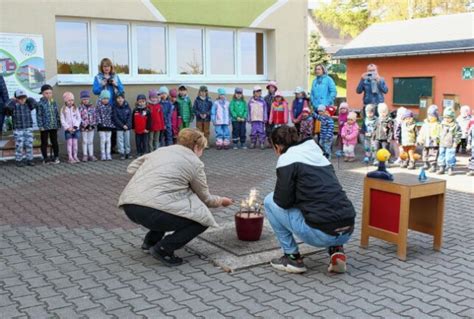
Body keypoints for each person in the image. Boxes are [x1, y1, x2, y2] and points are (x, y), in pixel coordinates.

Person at [118, 128, 233, 266]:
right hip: (151, 211)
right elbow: (206, 199)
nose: (201, 153)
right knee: (202, 220)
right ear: (196, 147)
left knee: (169, 206)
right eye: (202, 149)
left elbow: (131, 167)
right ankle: (163, 249)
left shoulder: (162, 150)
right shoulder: (194, 163)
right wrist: (222, 201)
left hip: (130, 205)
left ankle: (150, 242)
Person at [264, 126, 356, 274]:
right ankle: (336, 249)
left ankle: (292, 257)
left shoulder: (286, 159)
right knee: (324, 206)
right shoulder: (318, 154)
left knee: (269, 201)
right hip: (348, 228)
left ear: (277, 146)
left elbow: (283, 202)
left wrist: (297, 199)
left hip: (320, 234)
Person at [92, 58, 124, 154]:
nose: (106, 68)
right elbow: (95, 91)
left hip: (113, 104)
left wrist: (115, 84)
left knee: (114, 126)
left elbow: (122, 90)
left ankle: (112, 147)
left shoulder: (115, 77)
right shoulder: (98, 77)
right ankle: (105, 149)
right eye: (105, 66)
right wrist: (102, 84)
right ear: (102, 67)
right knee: (104, 126)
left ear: (111, 67)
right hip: (103, 105)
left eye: (108, 66)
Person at [4, 89, 36, 167]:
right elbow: (6, 106)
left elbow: (34, 102)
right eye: (20, 98)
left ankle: (30, 159)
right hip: (18, 129)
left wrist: (27, 98)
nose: (22, 100)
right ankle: (19, 160)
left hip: (28, 128)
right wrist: (13, 99)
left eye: (24, 98)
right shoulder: (13, 106)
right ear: (16, 98)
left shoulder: (28, 105)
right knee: (19, 145)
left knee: (29, 144)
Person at [36, 84, 61, 164]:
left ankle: (56, 157)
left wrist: (58, 124)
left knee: (54, 142)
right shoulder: (40, 103)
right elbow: (39, 115)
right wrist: (41, 126)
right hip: (45, 127)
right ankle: (45, 158)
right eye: (46, 93)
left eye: (50, 93)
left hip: (54, 125)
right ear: (42, 93)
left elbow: (57, 114)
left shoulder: (54, 102)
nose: (48, 95)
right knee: (44, 142)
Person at [437, 108, 461, 176]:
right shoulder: (441, 124)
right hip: (442, 143)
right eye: (445, 117)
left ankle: (450, 168)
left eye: (449, 117)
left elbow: (458, 134)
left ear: (453, 117)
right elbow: (439, 133)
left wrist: (456, 142)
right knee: (441, 155)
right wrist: (438, 140)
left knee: (450, 156)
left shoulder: (456, 125)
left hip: (451, 144)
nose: (447, 119)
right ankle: (441, 167)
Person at [417, 105, 441, 172]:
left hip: (434, 142)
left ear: (436, 116)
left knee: (433, 153)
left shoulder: (438, 124)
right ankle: (426, 163)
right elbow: (421, 132)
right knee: (425, 153)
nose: (430, 117)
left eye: (432, 116)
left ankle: (433, 165)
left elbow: (440, 133)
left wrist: (438, 138)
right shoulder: (425, 124)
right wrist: (420, 139)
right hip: (426, 141)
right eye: (429, 115)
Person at [60, 92, 81, 164]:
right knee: (69, 143)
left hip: (75, 129)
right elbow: (62, 120)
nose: (70, 102)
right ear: (65, 101)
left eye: (72, 100)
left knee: (75, 143)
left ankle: (75, 156)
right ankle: (70, 157)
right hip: (68, 130)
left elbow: (79, 118)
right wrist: (68, 128)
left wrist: (75, 127)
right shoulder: (63, 109)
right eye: (69, 100)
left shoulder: (75, 108)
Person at [79, 90, 98, 162]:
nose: (85, 100)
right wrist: (84, 124)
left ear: (89, 99)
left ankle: (91, 154)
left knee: (90, 141)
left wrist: (92, 124)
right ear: (81, 99)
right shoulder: (80, 108)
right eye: (83, 99)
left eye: (86, 99)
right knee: (84, 141)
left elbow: (95, 116)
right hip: (84, 127)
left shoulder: (92, 108)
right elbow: (79, 117)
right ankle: (85, 155)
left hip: (91, 127)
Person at [96, 90, 115, 161]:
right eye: (104, 98)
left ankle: (108, 154)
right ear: (101, 98)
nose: (105, 100)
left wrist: (112, 123)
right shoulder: (98, 106)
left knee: (108, 140)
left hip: (109, 126)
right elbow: (97, 115)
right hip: (101, 126)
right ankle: (103, 154)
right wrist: (99, 123)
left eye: (107, 99)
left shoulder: (110, 106)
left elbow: (112, 115)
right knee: (103, 140)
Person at [113, 93, 132, 160]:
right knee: (120, 141)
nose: (120, 99)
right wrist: (122, 125)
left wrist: (127, 125)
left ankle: (128, 152)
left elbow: (130, 117)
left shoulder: (127, 106)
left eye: (121, 98)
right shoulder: (115, 107)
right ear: (116, 99)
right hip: (119, 127)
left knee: (127, 140)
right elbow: (115, 118)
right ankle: (122, 153)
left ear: (124, 99)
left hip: (127, 127)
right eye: (118, 98)